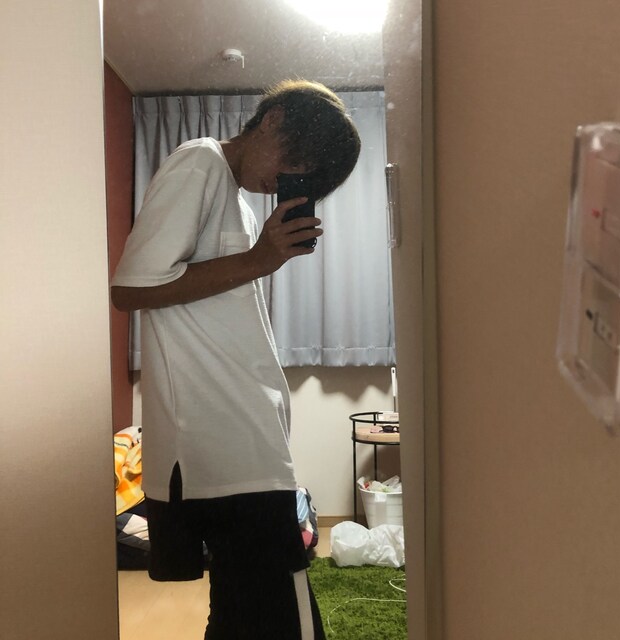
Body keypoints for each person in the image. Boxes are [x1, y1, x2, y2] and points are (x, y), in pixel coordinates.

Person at [111, 79, 361, 639]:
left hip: (236, 435)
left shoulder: (237, 199)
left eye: (305, 177)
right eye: (293, 164)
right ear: (271, 120)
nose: (286, 180)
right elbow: (130, 289)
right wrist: (260, 259)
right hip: (224, 440)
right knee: (282, 618)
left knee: (242, 615)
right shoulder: (200, 161)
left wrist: (259, 256)